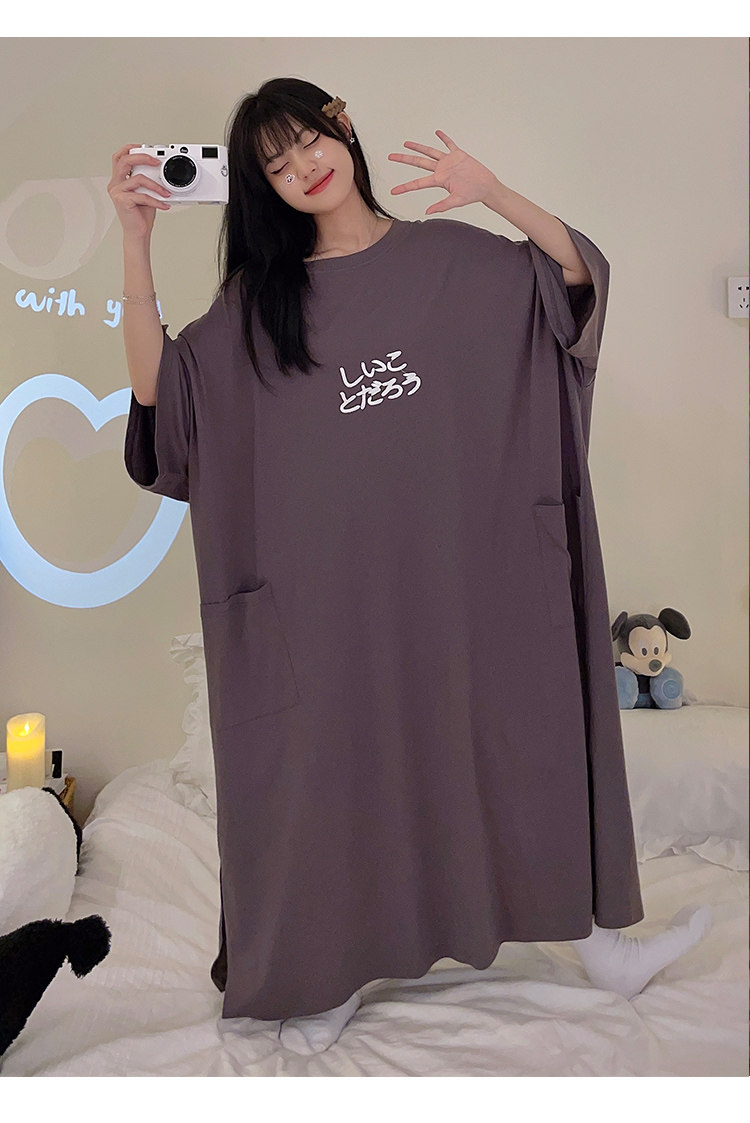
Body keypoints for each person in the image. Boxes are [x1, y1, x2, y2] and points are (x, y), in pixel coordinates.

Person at [109, 77, 713, 1058]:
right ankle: (325, 968)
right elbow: (165, 399)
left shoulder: (458, 260)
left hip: (471, 585)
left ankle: (599, 942)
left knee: (523, 739)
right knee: (335, 770)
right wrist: (134, 243)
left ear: (342, 125)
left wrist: (493, 192)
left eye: (308, 139)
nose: (303, 167)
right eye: (275, 164)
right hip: (334, 607)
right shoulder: (260, 309)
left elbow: (572, 286)